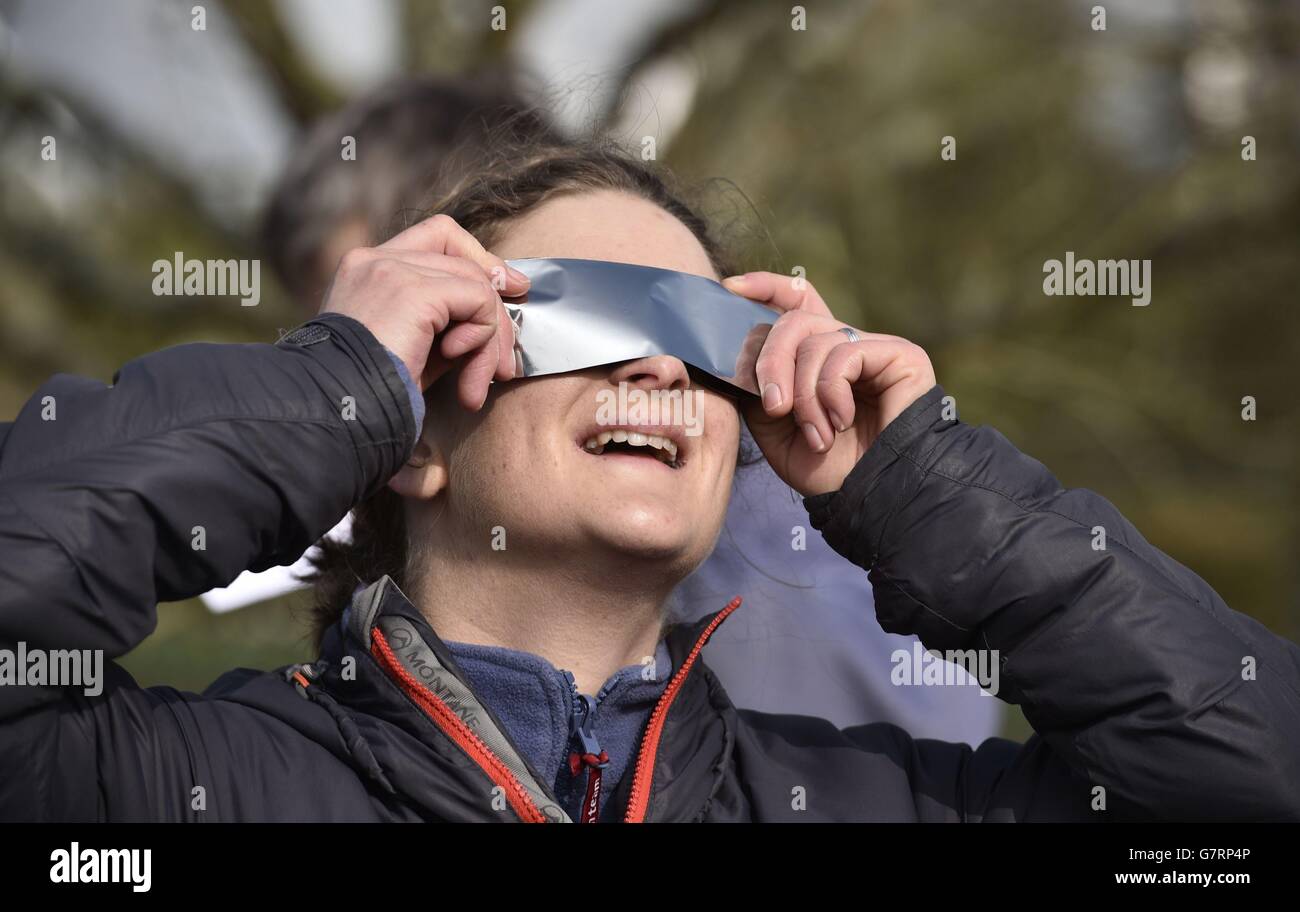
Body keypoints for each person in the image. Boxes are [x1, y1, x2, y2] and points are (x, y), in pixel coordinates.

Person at [2, 137, 1296, 822]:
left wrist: (928, 488)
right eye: (583, 315)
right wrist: (324, 387)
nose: (664, 370)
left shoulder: (882, 804)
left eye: (708, 339)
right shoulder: (172, 786)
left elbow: (1250, 782)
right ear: (415, 439)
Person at [236, 76, 999, 742]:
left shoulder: (799, 575)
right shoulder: (237, 762)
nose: (376, 364)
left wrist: (916, 485)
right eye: (342, 331)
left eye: (392, 298)